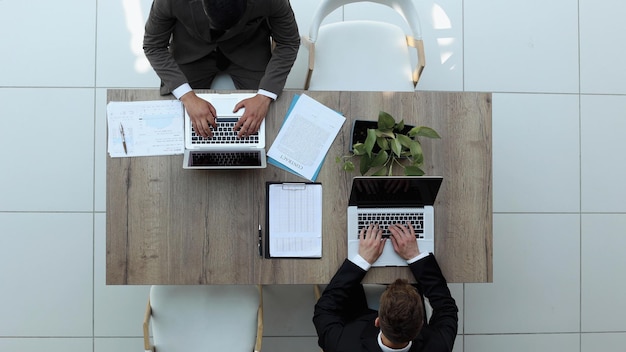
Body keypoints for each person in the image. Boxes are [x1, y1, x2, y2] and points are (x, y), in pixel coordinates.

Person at [143, 0, 300, 138]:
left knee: (267, 122)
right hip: (192, 50)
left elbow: (288, 43)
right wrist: (187, 96)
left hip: (248, 48)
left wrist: (265, 96)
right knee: (176, 124)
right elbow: (153, 46)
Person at [313, 223, 458, 352]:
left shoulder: (341, 345)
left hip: (357, 321)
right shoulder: (439, 346)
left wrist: (362, 261)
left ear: (377, 321)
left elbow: (325, 308)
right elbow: (446, 308)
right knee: (409, 278)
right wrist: (415, 257)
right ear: (420, 325)